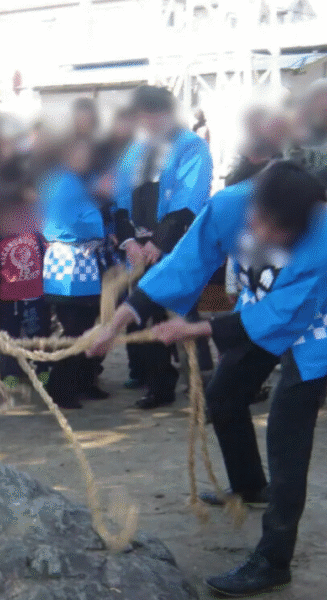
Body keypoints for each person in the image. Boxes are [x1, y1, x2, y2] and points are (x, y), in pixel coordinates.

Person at [89, 162, 327, 597]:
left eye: (273, 229)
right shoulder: (231, 204)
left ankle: (274, 558)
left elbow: (282, 316)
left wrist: (195, 329)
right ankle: (251, 486)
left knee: (287, 431)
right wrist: (118, 321)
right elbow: (183, 265)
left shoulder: (326, 242)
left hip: (323, 316)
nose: (257, 230)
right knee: (224, 396)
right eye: (257, 218)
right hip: (264, 301)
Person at [112, 85, 214, 408]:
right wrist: (129, 242)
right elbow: (118, 200)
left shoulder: (191, 147)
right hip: (138, 250)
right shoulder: (133, 150)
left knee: (183, 313)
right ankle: (158, 384)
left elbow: (189, 199)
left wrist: (159, 243)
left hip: (176, 247)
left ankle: (203, 384)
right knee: (143, 315)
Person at [39, 136, 108, 409]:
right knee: (72, 328)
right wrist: (95, 233)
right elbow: (63, 221)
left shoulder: (81, 181)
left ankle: (85, 381)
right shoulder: (59, 182)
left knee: (89, 324)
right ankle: (61, 388)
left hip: (86, 259)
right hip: (66, 261)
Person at [0, 188, 50, 386]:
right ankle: (11, 373)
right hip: (8, 299)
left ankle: (42, 369)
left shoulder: (36, 235)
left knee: (38, 336)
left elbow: (47, 262)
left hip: (35, 296)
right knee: (9, 338)